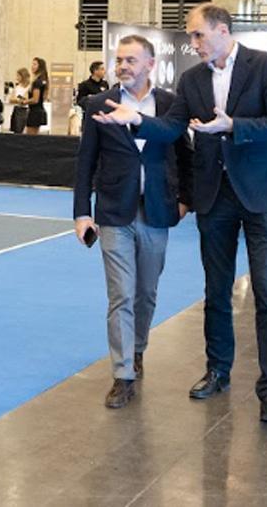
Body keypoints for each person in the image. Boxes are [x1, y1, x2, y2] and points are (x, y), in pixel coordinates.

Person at [93, 3, 267, 423]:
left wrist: (233, 126)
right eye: (191, 36)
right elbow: (171, 127)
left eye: (198, 35)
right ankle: (217, 370)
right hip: (214, 197)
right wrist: (137, 121)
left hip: (261, 196)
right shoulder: (192, 79)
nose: (193, 43)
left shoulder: (266, 67)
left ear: (222, 31)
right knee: (216, 292)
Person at [74, 35, 192, 409]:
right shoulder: (96, 103)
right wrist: (81, 212)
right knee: (121, 294)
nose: (122, 66)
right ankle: (123, 374)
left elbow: (185, 157)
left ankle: (138, 348)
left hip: (158, 210)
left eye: (131, 60)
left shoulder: (171, 105)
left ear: (150, 64)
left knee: (146, 293)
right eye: (119, 60)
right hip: (113, 212)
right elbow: (85, 162)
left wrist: (186, 202)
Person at [22, 58, 49, 135]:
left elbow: (35, 99)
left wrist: (24, 101)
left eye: (35, 64)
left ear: (40, 66)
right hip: (39, 110)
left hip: (35, 112)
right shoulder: (43, 80)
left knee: (30, 137)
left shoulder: (37, 82)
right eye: (32, 64)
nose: (32, 66)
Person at [9, 67, 31, 134]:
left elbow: (25, 99)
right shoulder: (17, 87)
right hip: (17, 110)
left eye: (18, 76)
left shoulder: (29, 87)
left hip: (25, 110)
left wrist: (18, 100)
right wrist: (18, 100)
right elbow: (11, 99)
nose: (17, 78)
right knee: (17, 131)